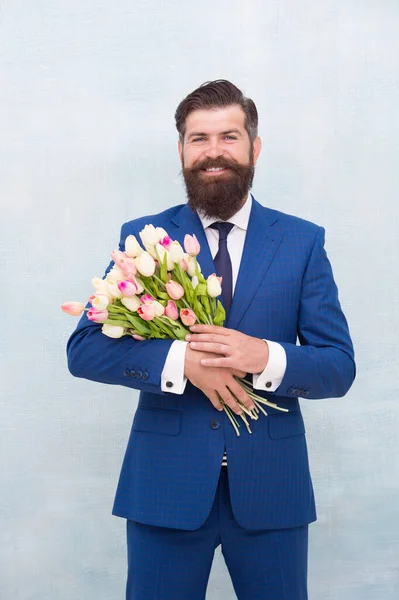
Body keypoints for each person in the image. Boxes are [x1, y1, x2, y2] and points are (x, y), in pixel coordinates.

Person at [67, 80, 355, 600]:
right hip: (164, 490)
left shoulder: (302, 241)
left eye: (228, 136)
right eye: (199, 138)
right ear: (181, 149)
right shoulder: (144, 237)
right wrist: (183, 362)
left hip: (273, 491)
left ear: (254, 147)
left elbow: (338, 366)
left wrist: (262, 356)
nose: (213, 151)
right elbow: (85, 348)